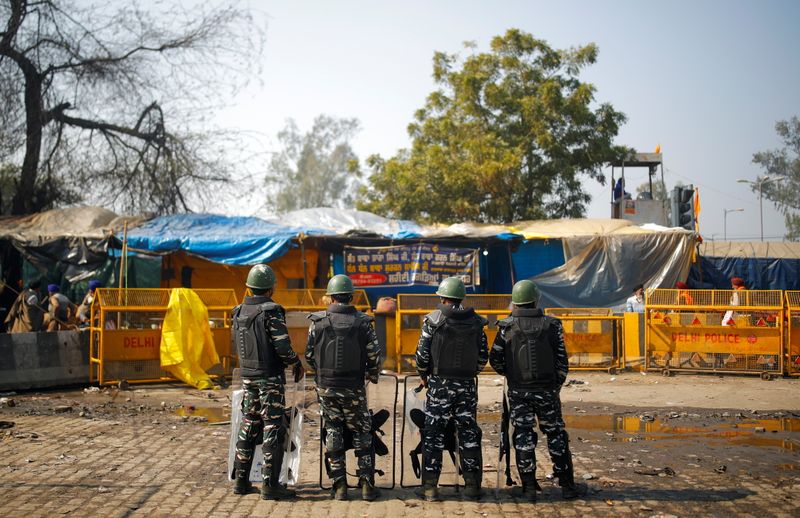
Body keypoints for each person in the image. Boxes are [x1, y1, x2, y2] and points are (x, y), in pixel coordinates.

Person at [490, 280, 587, 501]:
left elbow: (495, 359)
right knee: (556, 435)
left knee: (523, 436)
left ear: (515, 302)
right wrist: (555, 386)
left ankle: (529, 488)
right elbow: (562, 361)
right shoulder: (552, 325)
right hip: (548, 392)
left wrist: (512, 376)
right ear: (535, 300)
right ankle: (568, 486)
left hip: (519, 392)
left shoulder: (506, 326)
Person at [306, 274, 382, 501]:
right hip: (354, 389)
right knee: (362, 432)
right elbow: (374, 356)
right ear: (350, 296)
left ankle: (339, 486)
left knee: (333, 431)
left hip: (326, 388)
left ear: (330, 297)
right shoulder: (363, 323)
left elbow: (310, 356)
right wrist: (373, 375)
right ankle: (367, 485)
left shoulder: (317, 323)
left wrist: (321, 376)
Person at [231, 264, 305, 500]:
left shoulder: (238, 311)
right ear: (271, 288)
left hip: (247, 376)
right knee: (273, 426)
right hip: (269, 378)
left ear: (250, 288)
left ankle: (241, 482)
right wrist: (296, 363)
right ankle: (270, 485)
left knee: (249, 422)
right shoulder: (271, 311)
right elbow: (282, 346)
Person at [415, 276, 488, 501]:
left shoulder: (433, 320)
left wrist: (425, 376)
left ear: (442, 297)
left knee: (433, 434)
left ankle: (430, 488)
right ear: (461, 297)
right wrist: (469, 374)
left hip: (439, 386)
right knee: (468, 432)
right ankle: (472, 486)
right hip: (466, 386)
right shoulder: (476, 322)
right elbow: (482, 356)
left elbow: (421, 356)